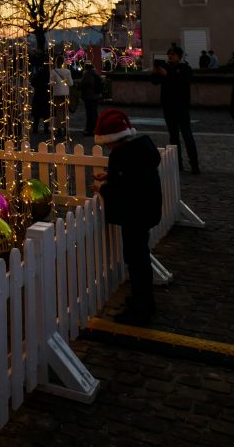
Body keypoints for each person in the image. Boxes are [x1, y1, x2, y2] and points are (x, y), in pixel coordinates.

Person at [92, 108, 162, 325]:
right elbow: (134, 174)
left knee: (136, 259)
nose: (107, 148)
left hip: (136, 213)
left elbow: (125, 189)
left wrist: (102, 188)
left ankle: (142, 308)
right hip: (148, 209)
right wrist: (111, 174)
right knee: (140, 256)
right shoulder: (140, 149)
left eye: (107, 144)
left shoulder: (121, 156)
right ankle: (144, 299)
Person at [152, 45, 200, 174]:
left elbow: (183, 83)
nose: (170, 56)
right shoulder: (166, 68)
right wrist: (155, 72)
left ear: (179, 56)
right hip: (168, 106)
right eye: (169, 54)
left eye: (172, 54)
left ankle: (194, 164)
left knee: (187, 135)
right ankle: (177, 164)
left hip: (181, 106)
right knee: (173, 137)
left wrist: (168, 75)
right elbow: (155, 81)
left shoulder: (185, 69)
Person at [50, 55, 73, 135]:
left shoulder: (53, 72)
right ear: (63, 62)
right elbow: (71, 83)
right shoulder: (67, 71)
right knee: (65, 112)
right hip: (65, 94)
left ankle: (59, 129)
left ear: (56, 62)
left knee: (58, 112)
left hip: (57, 94)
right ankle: (66, 129)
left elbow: (51, 84)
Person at [80, 63, 104, 136]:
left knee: (90, 113)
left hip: (89, 96)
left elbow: (83, 85)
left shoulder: (87, 74)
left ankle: (90, 129)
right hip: (96, 96)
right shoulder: (95, 73)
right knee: (94, 112)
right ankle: (96, 128)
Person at [30, 56, 51, 134]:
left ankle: (35, 129)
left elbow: (32, 81)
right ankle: (46, 129)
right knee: (46, 114)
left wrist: (38, 87)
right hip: (46, 95)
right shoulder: (49, 73)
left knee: (37, 115)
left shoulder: (39, 72)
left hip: (38, 94)